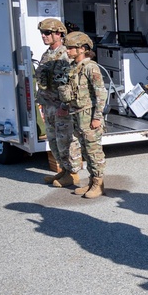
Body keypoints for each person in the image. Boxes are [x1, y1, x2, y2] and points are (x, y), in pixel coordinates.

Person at [56, 32, 107, 198]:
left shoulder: (90, 67)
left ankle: (99, 184)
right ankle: (91, 181)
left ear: (83, 49)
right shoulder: (73, 67)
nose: (68, 51)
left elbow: (101, 93)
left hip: (88, 114)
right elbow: (69, 91)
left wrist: (97, 117)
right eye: (67, 47)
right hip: (76, 114)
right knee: (84, 150)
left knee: (94, 150)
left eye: (71, 48)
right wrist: (64, 106)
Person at [35, 18, 80, 187]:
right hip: (49, 105)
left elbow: (69, 84)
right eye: (42, 33)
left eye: (47, 33)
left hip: (61, 107)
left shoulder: (65, 55)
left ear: (59, 34)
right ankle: (63, 171)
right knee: (53, 141)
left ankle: (73, 174)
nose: (43, 36)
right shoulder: (47, 54)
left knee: (66, 140)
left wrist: (64, 106)